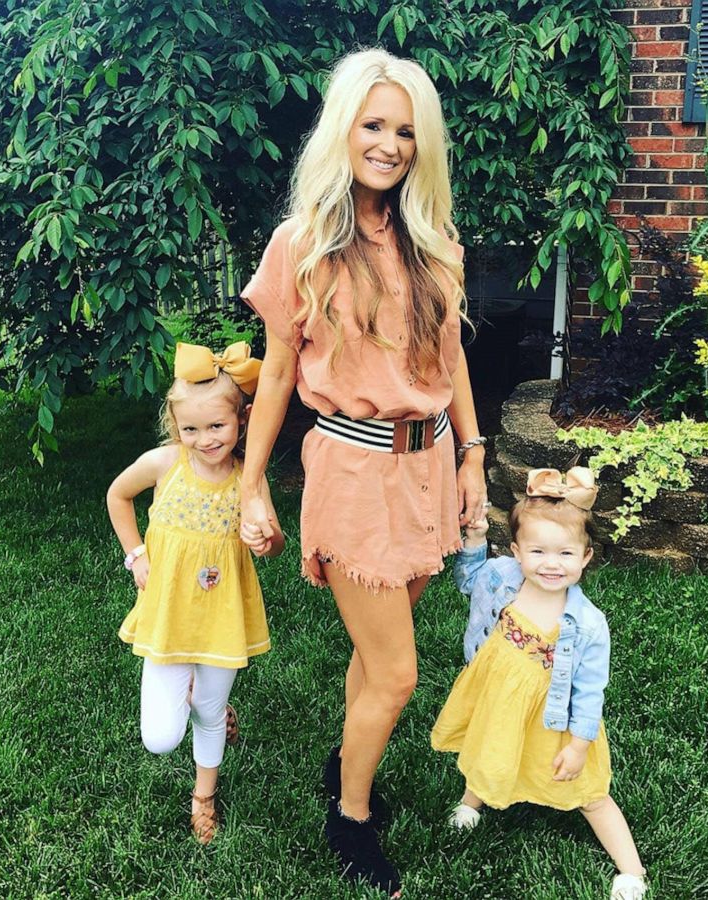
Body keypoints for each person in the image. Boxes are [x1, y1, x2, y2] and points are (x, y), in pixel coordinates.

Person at [236, 47, 488, 896]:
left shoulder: (434, 243)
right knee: (399, 671)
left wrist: (476, 456)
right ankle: (350, 817)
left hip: (431, 472)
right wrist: (251, 479)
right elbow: (276, 372)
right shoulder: (301, 244)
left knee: (374, 656)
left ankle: (346, 757)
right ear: (344, 127)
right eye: (374, 125)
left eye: (406, 132)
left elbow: (450, 364)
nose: (388, 144)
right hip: (351, 469)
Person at [430, 467, 649, 900]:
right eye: (538, 551)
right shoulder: (503, 578)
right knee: (492, 746)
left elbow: (589, 691)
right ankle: (472, 803)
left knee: (589, 793)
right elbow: (469, 582)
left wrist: (579, 745)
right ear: (516, 552)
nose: (552, 564)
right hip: (501, 699)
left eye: (566, 554)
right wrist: (474, 541)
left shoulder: (588, 625)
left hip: (555, 718)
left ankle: (632, 871)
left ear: (586, 558)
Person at [106, 341, 284, 845]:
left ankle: (203, 794)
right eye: (191, 429)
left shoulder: (249, 480)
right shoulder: (165, 464)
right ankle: (210, 706)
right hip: (169, 615)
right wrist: (135, 554)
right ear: (175, 427)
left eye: (217, 427)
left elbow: (274, 544)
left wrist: (266, 537)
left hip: (223, 616)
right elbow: (117, 495)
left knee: (206, 711)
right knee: (160, 739)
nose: (205, 439)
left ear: (242, 420)